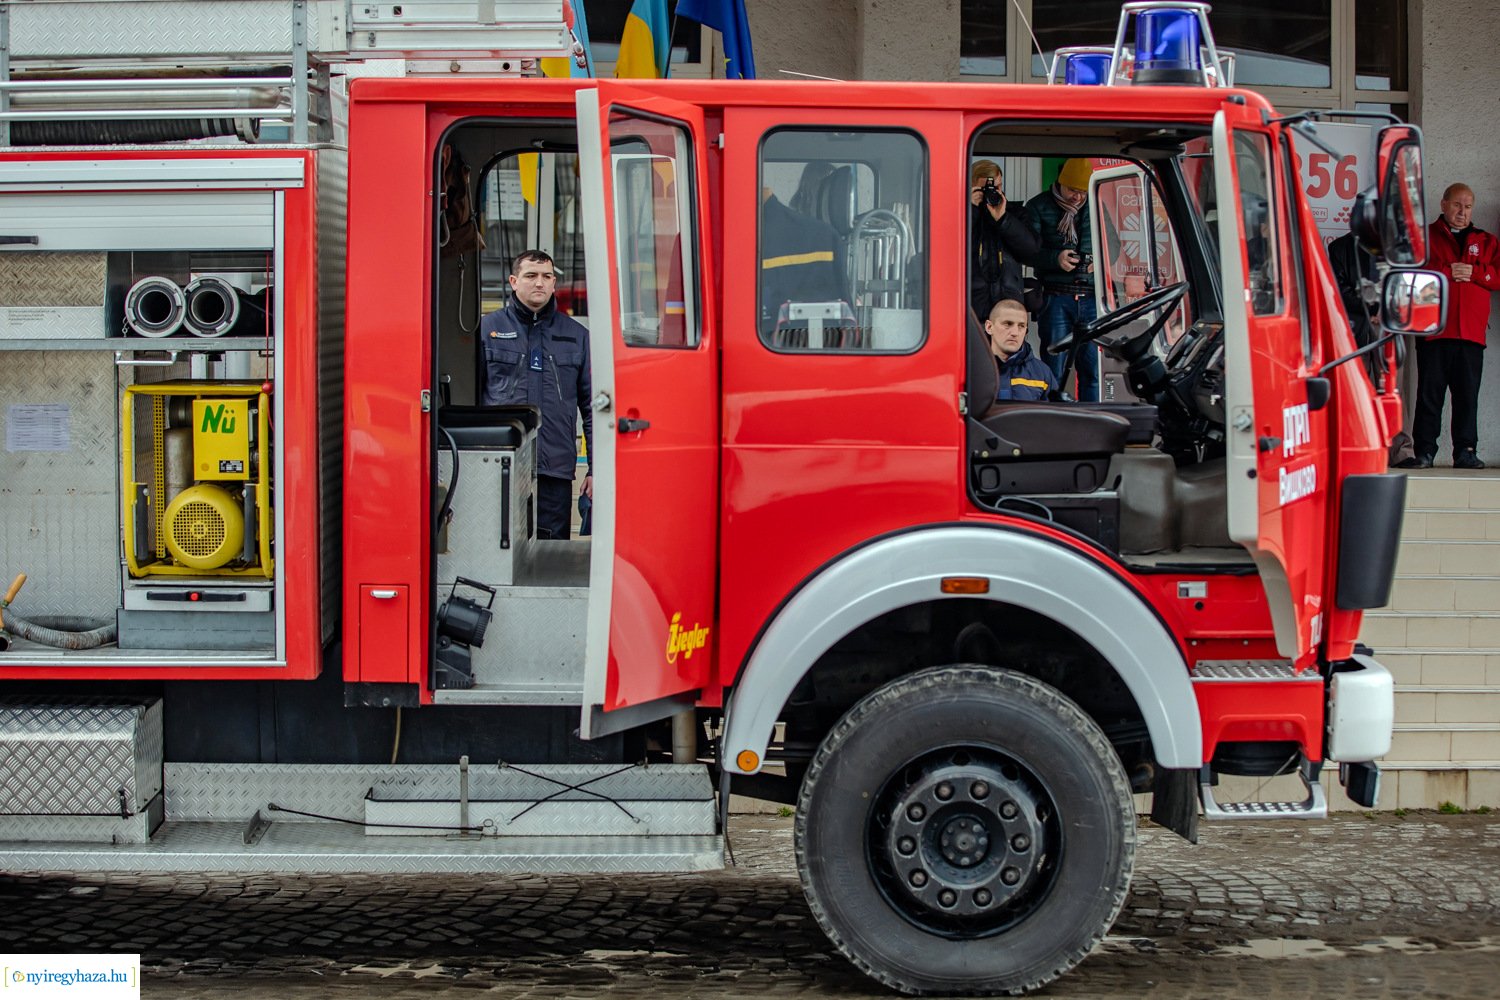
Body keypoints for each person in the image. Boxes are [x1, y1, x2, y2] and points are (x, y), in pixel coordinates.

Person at [479, 249, 593, 538]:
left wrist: (596, 469)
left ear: (554, 283)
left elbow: (593, 407)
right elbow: (470, 397)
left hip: (553, 470)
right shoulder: (486, 330)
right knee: (497, 551)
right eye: (531, 276)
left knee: (552, 558)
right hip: (497, 467)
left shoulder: (577, 337)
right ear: (514, 281)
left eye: (546, 276)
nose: (539, 283)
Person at [1398, 183, 1500, 470]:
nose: (1462, 212)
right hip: (1433, 332)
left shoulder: (1487, 240)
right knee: (1429, 395)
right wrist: (1446, 271)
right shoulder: (1424, 237)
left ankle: (1466, 451)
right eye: (1457, 205)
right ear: (1443, 204)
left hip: (1470, 333)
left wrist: (1476, 273)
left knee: (1467, 396)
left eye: (1468, 207)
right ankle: (1424, 452)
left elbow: (1498, 276)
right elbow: (1409, 275)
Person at [1024, 158, 1099, 401]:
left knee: (1092, 369)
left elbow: (1113, 245)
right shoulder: (1037, 206)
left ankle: (1091, 421)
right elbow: (1027, 251)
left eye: (1082, 191)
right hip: (1055, 295)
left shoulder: (1096, 204)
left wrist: (1099, 261)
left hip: (1090, 296)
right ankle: (1055, 417)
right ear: (1060, 183)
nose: (1077, 197)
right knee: (1053, 367)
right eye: (1072, 190)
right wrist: (1056, 259)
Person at [969, 159, 1041, 321]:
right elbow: (950, 250)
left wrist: (1003, 219)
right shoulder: (961, 213)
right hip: (972, 304)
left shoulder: (1016, 214)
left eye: (997, 187)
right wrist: (971, 210)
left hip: (1008, 302)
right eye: (986, 189)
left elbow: (1032, 252)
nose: (993, 192)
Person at [986, 298, 1055, 401]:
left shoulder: (1042, 373)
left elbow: (1052, 416)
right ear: (989, 327)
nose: (1015, 332)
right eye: (1007, 324)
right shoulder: (969, 368)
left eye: (1021, 326)